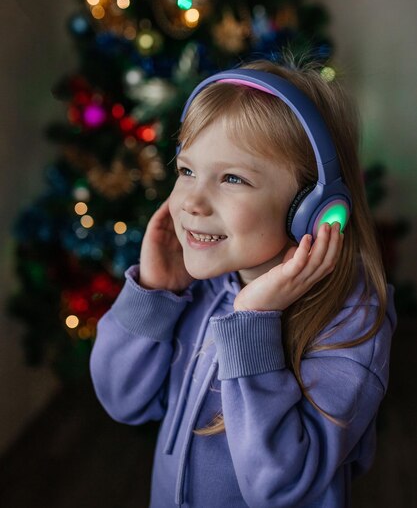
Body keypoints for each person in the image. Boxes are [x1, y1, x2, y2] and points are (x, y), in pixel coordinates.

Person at [90, 58, 396, 508]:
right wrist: (155, 293)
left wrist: (253, 324)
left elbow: (280, 485)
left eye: (232, 178)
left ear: (314, 208)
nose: (192, 201)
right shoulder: (198, 288)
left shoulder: (350, 323)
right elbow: (122, 401)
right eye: (187, 170)